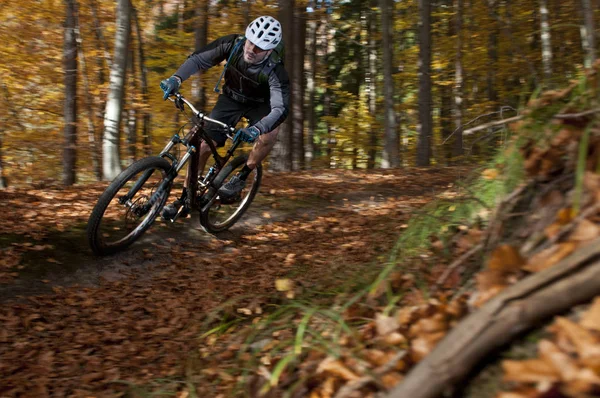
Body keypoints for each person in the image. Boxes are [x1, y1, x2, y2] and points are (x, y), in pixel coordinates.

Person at [159, 16, 290, 219]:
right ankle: (186, 198)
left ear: (270, 50)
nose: (251, 49)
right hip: (231, 99)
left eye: (259, 48)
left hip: (260, 105)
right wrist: (176, 78)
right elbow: (198, 59)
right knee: (201, 146)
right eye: (250, 41)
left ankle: (243, 175)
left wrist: (257, 129)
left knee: (269, 134)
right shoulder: (233, 44)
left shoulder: (276, 71)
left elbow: (280, 108)